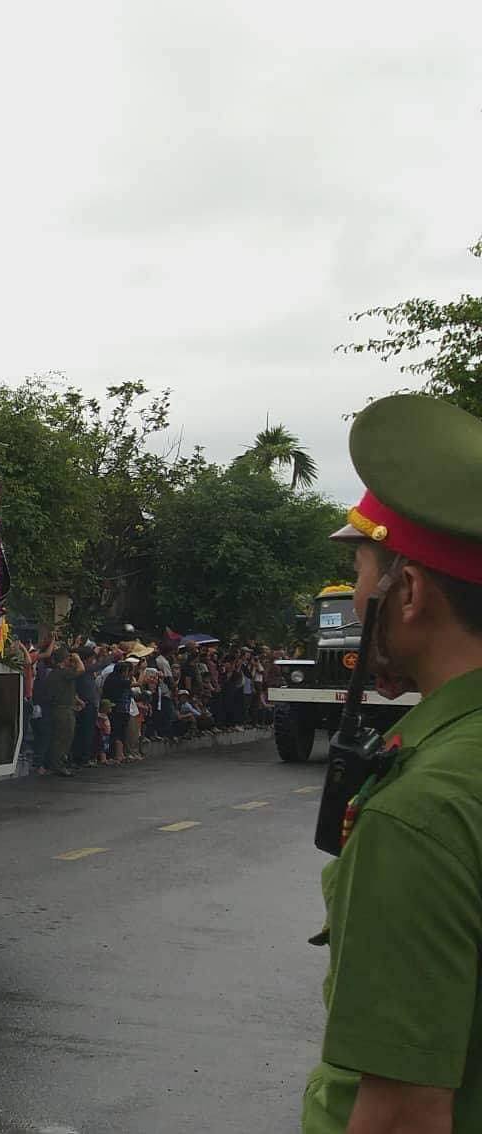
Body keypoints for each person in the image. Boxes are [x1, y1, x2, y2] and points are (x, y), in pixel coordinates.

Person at [303, 394, 482, 1133]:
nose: (359, 597)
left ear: (408, 594)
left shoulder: (424, 809)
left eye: (365, 575)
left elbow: (404, 1114)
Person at [38, 651, 81, 777]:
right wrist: (77, 659)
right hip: (63, 710)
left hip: (58, 708)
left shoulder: (54, 673)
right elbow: (81, 670)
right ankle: (58, 765)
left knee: (59, 737)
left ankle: (55, 763)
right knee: (64, 738)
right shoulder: (62, 672)